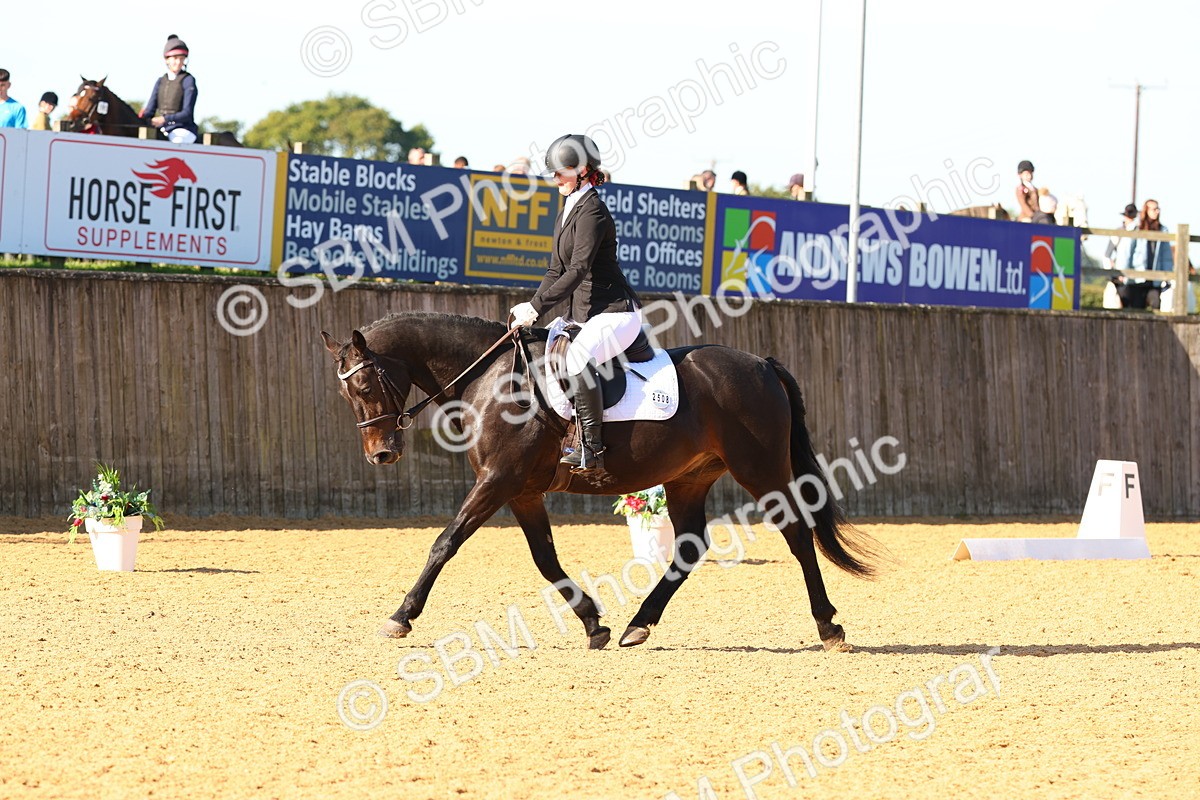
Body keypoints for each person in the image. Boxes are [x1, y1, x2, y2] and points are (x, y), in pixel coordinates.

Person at [508, 134, 643, 476]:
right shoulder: (568, 205)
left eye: (560, 173)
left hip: (615, 312)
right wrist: (531, 306)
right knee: (546, 349)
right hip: (582, 314)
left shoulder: (593, 210)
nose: (554, 179)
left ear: (582, 171)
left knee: (578, 357)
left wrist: (538, 307)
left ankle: (592, 448)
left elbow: (579, 269)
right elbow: (556, 269)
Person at [1113, 199, 1173, 310]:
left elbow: (1166, 256)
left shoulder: (1162, 230)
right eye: (1154, 209)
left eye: (1158, 209)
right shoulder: (1136, 229)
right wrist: (1122, 271)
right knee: (1136, 309)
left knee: (1155, 304)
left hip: (1154, 280)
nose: (1157, 211)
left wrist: (1167, 275)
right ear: (1146, 211)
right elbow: (1126, 252)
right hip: (1137, 279)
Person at [141, 35, 199, 144]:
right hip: (163, 128)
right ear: (167, 60)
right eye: (175, 58)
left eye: (181, 58)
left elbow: (187, 113)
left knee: (177, 141)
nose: (178, 62)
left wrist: (164, 119)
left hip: (183, 129)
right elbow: (149, 110)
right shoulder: (160, 81)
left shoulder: (188, 80)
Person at [1103, 203, 1140, 309]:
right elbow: (1107, 255)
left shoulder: (1138, 231)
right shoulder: (1118, 232)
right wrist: (1112, 273)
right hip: (1119, 275)